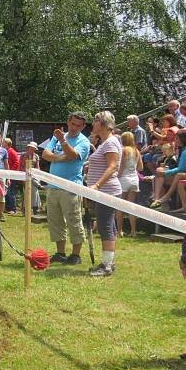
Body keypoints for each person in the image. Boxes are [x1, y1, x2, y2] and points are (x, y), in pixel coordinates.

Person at [42, 111, 91, 265]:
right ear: (68, 122)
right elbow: (45, 154)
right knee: (55, 221)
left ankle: (75, 255)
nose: (74, 127)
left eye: (78, 125)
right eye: (72, 124)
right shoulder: (56, 137)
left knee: (74, 221)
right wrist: (60, 157)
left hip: (71, 187)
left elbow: (73, 155)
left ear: (83, 127)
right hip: (53, 185)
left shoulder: (84, 142)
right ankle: (60, 253)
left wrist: (63, 141)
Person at [85, 111, 122, 277]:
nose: (93, 123)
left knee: (105, 226)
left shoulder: (110, 143)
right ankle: (109, 261)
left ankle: (106, 266)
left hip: (107, 192)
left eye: (96, 120)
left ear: (103, 124)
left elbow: (113, 166)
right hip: (103, 192)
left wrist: (97, 185)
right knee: (109, 226)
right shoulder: (105, 142)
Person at [151, 131, 186, 211]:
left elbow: (181, 168)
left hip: (183, 173)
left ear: (183, 139)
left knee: (163, 176)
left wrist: (166, 172)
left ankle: (162, 199)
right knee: (159, 175)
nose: (175, 140)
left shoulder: (185, 151)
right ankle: (159, 200)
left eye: (177, 138)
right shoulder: (182, 149)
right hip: (183, 173)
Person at [116, 131, 143, 237]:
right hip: (134, 180)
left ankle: (119, 231)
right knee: (131, 206)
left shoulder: (123, 150)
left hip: (124, 179)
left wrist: (116, 176)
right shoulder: (137, 151)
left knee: (120, 206)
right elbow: (140, 168)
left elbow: (121, 166)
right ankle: (133, 231)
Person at [20, 141, 41, 214]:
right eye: (31, 148)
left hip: (33, 176)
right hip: (25, 175)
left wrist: (37, 175)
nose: (32, 149)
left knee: (35, 191)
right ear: (28, 147)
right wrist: (23, 177)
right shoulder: (23, 155)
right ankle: (25, 209)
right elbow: (21, 166)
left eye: (33, 148)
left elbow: (37, 167)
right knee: (26, 192)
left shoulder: (36, 156)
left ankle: (35, 207)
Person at [3, 137, 21, 214]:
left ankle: (13, 209)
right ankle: (7, 208)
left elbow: (17, 162)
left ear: (7, 144)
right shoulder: (5, 151)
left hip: (12, 175)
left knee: (11, 192)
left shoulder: (12, 151)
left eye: (4, 142)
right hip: (6, 174)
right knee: (6, 191)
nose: (2, 143)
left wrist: (11, 171)